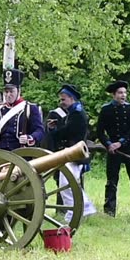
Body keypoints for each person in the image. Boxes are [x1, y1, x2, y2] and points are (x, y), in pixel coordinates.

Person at [45, 84, 97, 224]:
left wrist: (54, 131)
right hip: (73, 152)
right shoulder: (74, 112)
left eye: (63, 99)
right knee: (70, 183)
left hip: (74, 153)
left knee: (66, 183)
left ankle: (79, 209)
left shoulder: (76, 114)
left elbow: (69, 132)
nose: (61, 102)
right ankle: (81, 208)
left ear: (71, 98)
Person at [96, 80, 130, 218]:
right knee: (112, 181)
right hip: (113, 149)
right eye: (120, 93)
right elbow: (100, 132)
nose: (123, 95)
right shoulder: (105, 109)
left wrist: (121, 142)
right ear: (114, 94)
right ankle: (109, 212)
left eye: (125, 93)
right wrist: (109, 144)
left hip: (128, 147)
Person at [0, 69, 44, 151]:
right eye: (6, 92)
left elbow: (39, 131)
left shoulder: (29, 108)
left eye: (11, 91)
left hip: (21, 154)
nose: (8, 95)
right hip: (2, 154)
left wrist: (29, 137)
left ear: (18, 91)